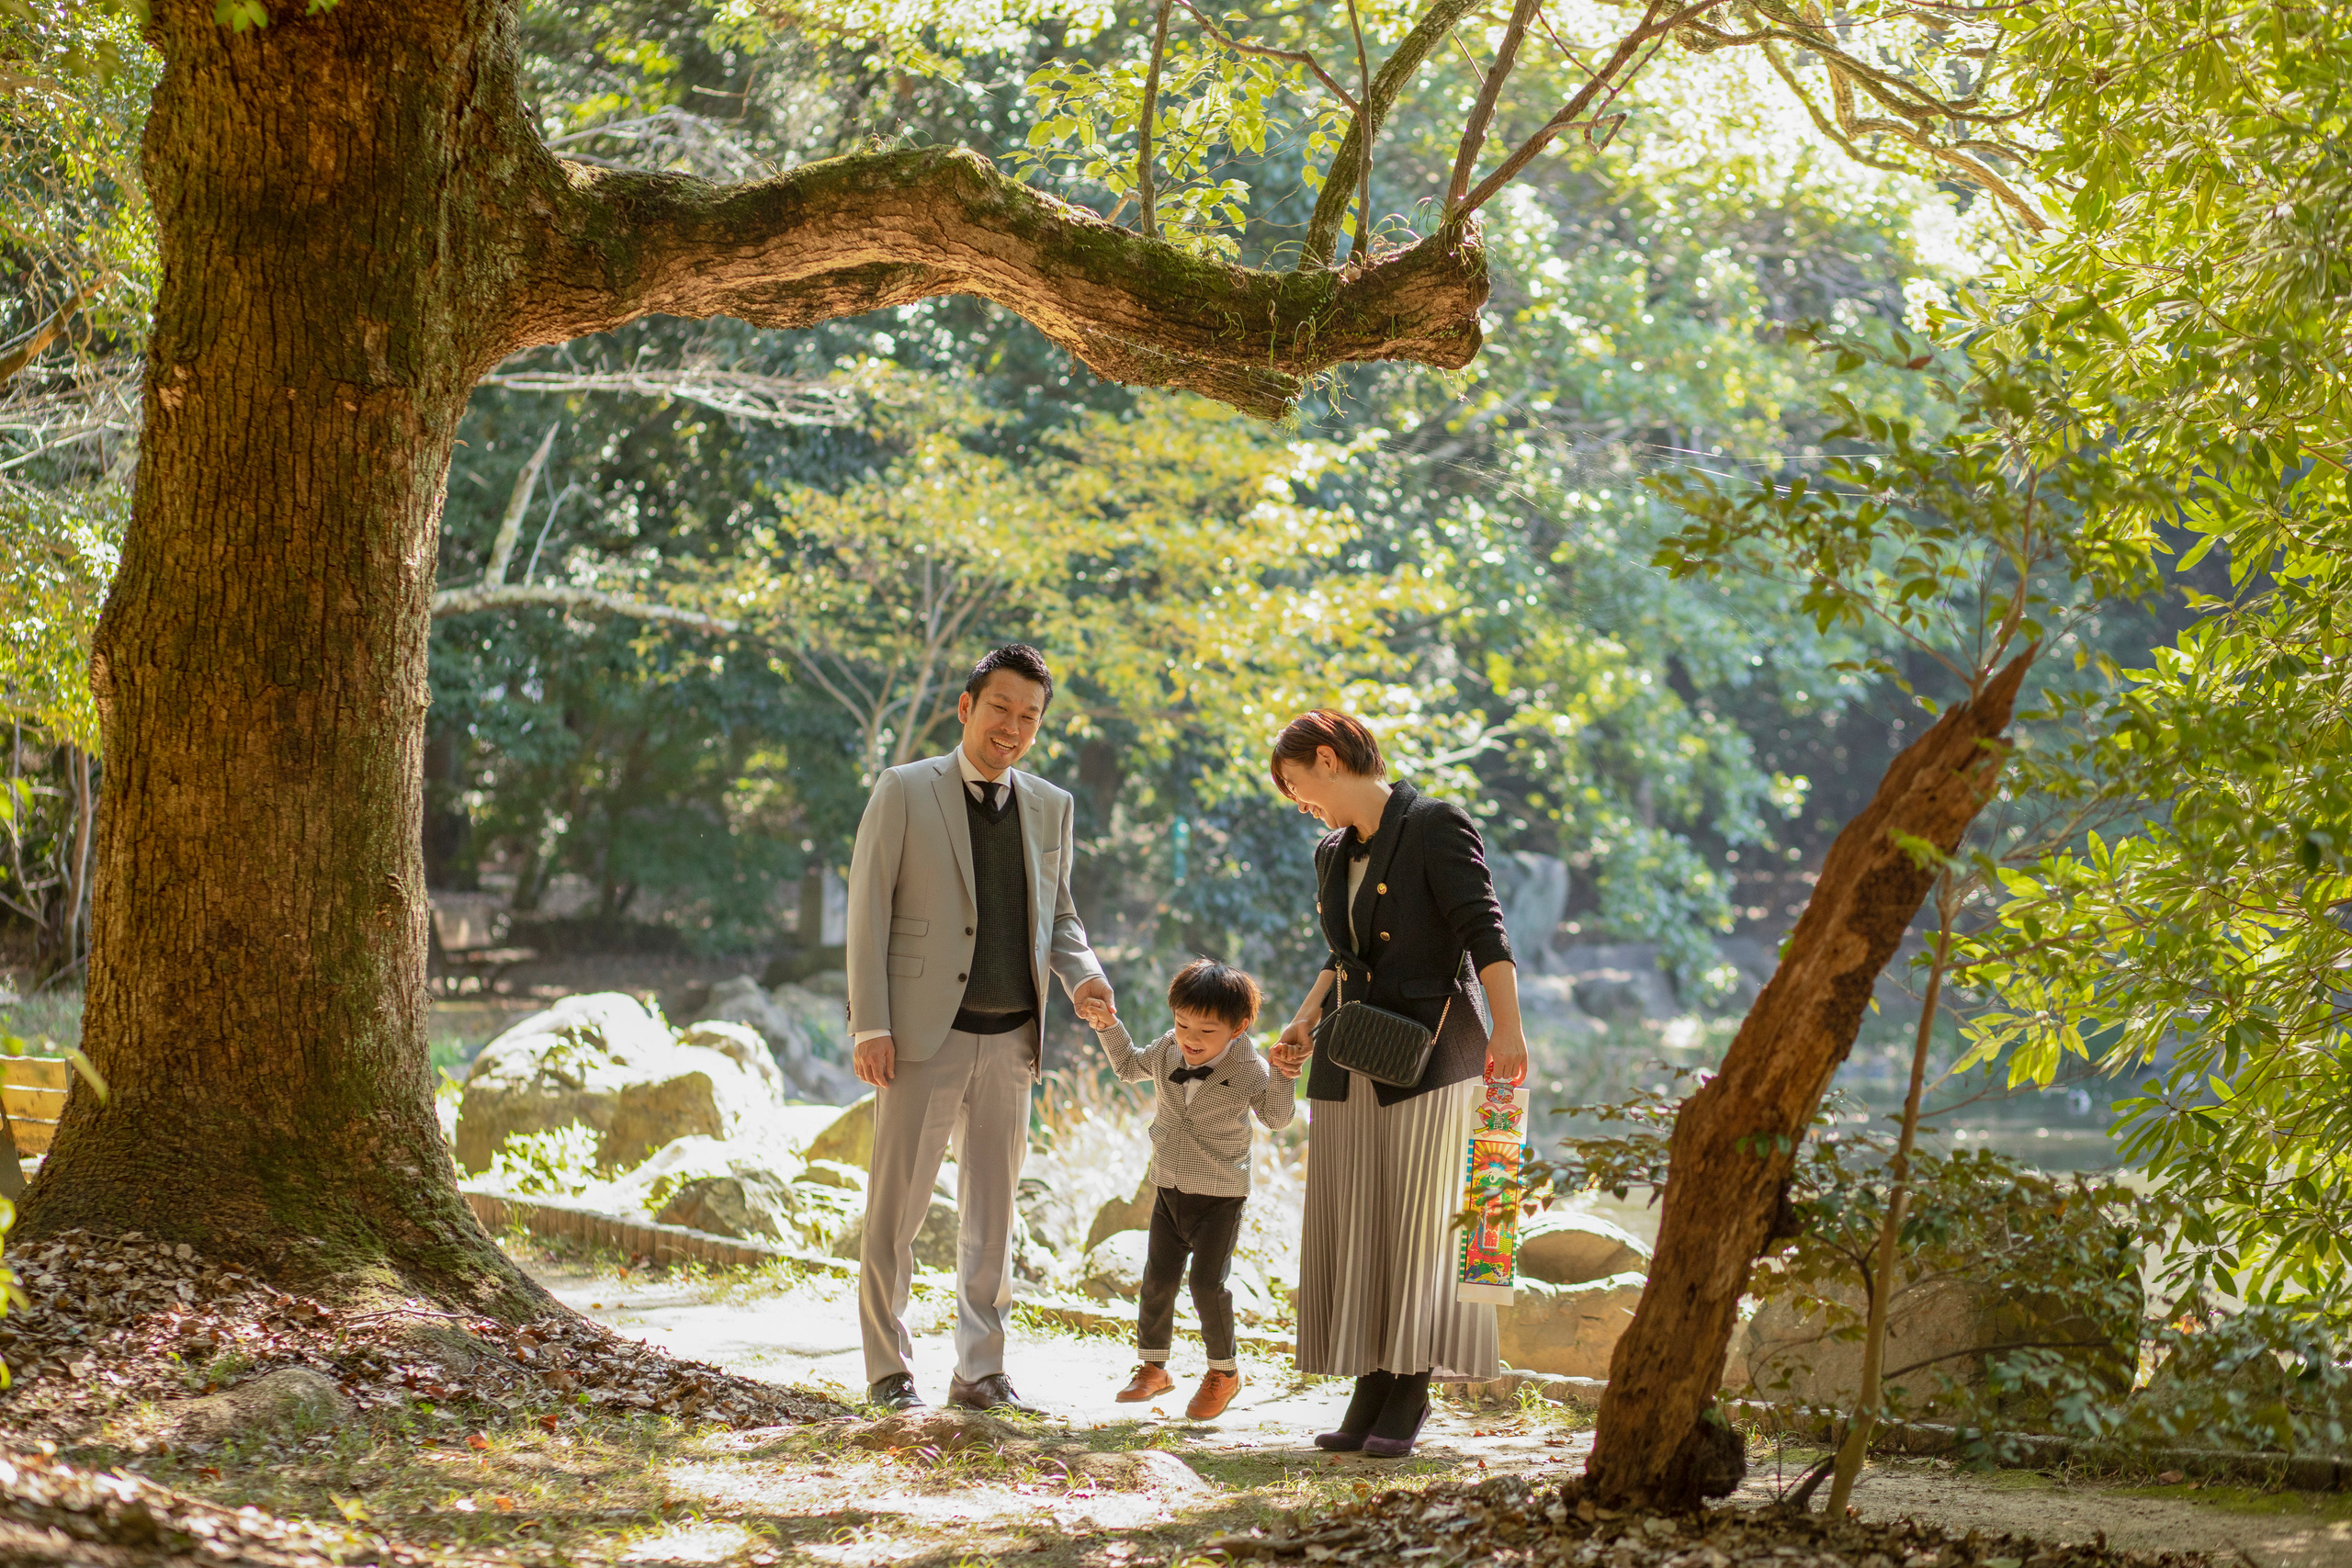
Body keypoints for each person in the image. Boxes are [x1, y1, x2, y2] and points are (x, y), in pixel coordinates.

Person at [845, 644, 1119, 1415]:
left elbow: (1058, 913)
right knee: (893, 1211)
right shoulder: (902, 790)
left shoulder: (1051, 805)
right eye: (1000, 708)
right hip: (918, 1038)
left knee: (993, 1216)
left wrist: (1085, 972)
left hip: (1011, 1040)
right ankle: (887, 1370)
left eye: (1029, 716)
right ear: (966, 707)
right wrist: (870, 1022)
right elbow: (867, 910)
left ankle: (980, 1371)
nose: (1013, 726)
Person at [1264, 709, 1530, 1458]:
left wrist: (1509, 1030)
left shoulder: (1437, 823)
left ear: (1327, 759)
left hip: (1438, 1058)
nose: (1300, 803)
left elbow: (1485, 928)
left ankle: (1410, 1383)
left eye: (1297, 786)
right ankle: (1372, 1381)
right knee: (1365, 1224)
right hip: (1352, 1058)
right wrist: (1301, 1021)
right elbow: (1339, 955)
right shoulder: (1330, 852)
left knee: (1425, 1224)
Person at [1089, 958, 1295, 1420]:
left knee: (1206, 1285)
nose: (1190, 1039)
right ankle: (1153, 1368)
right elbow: (1126, 1065)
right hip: (1169, 1184)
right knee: (1157, 1280)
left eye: (1206, 1031)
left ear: (1238, 1029)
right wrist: (1108, 1024)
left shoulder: (1248, 1068)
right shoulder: (1167, 1049)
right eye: (1182, 1024)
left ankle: (1224, 1372)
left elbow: (1278, 1118)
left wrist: (1284, 1073)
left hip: (1220, 1195)